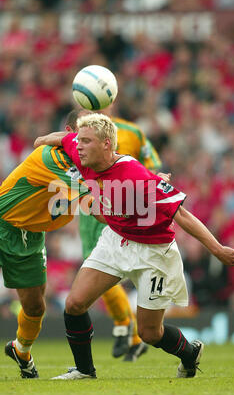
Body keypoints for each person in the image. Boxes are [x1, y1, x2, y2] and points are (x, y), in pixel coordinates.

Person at [35, 113, 234, 380]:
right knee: (74, 304)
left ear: (107, 144)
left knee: (149, 333)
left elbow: (182, 215)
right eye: (80, 140)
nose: (79, 146)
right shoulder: (80, 151)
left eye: (86, 141)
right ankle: (85, 371)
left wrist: (217, 249)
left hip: (153, 251)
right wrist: (41, 140)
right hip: (116, 240)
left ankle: (190, 354)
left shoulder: (134, 174)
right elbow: (62, 139)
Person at [0, 141, 92, 380]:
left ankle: (21, 351)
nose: (85, 146)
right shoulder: (51, 157)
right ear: (71, 139)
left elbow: (98, 204)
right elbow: (91, 192)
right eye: (82, 139)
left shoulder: (92, 170)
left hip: (31, 236)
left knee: (35, 307)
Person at [65, 107, 163, 361]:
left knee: (102, 266)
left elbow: (152, 164)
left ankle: (126, 325)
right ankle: (126, 326)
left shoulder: (131, 131)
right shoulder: (81, 130)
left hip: (116, 204)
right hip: (91, 205)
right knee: (97, 265)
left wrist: (149, 181)